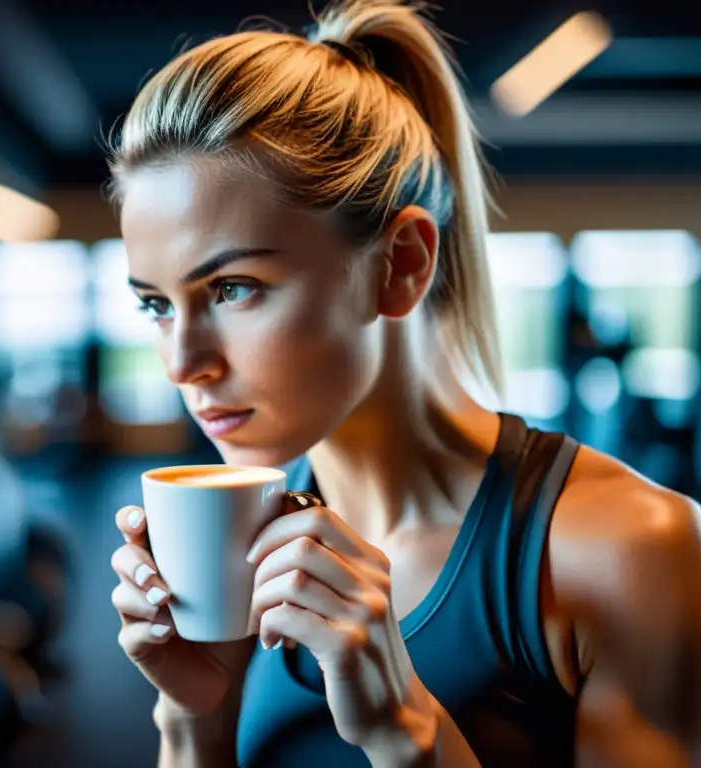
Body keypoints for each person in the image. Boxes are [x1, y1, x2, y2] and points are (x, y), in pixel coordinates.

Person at [105, 1, 701, 765]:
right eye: (156, 305)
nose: (180, 363)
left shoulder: (630, 550)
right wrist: (193, 717)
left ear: (403, 263)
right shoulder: (240, 546)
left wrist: (405, 733)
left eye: (233, 289)